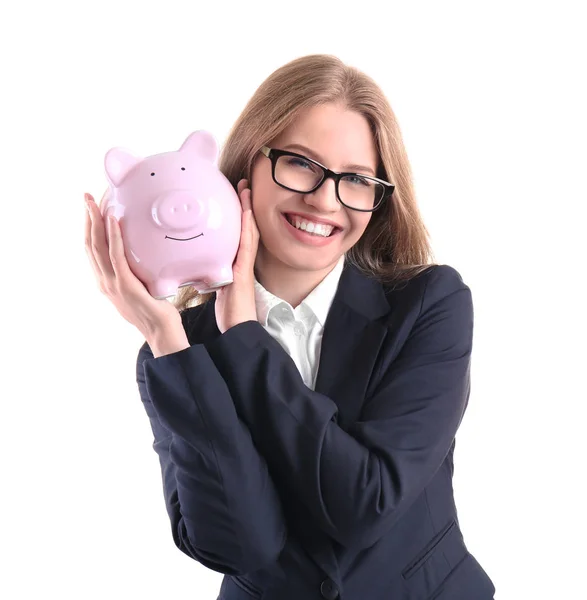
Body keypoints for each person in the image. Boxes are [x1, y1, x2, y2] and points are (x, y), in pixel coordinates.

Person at [84, 54, 496, 600]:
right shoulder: (180, 353)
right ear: (247, 167)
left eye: (357, 179)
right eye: (301, 163)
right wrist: (165, 337)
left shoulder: (429, 305)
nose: (325, 199)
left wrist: (247, 344)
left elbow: (366, 504)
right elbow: (240, 545)